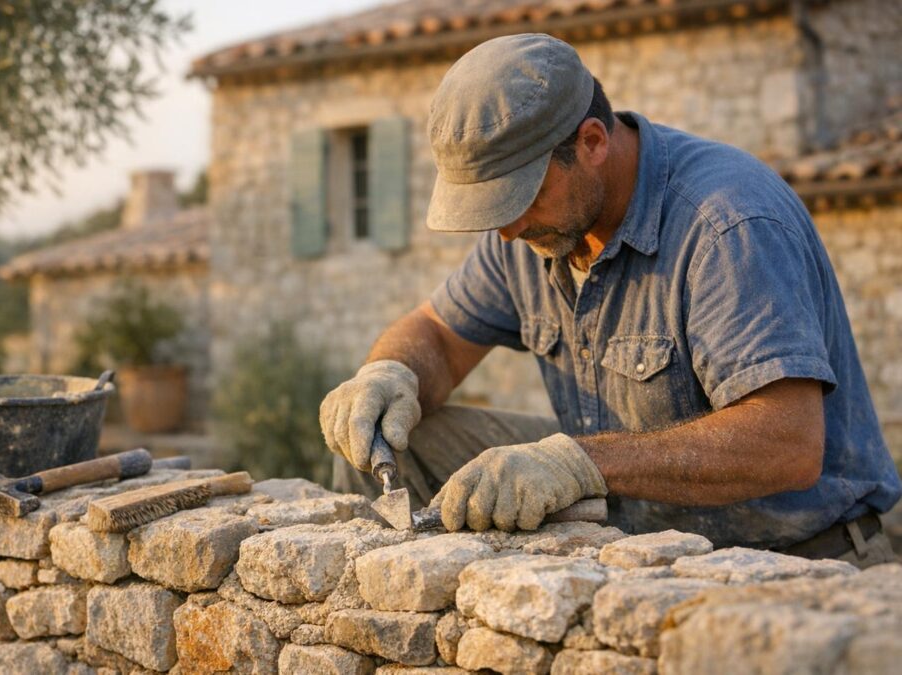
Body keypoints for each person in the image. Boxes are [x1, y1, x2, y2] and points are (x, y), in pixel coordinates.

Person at [319, 34, 900, 568]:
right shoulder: (535, 231)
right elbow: (438, 337)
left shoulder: (725, 223)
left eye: (522, 197)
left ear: (592, 142)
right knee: (399, 431)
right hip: (634, 536)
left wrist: (581, 463)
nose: (508, 229)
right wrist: (390, 371)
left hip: (796, 558)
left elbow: (789, 445)